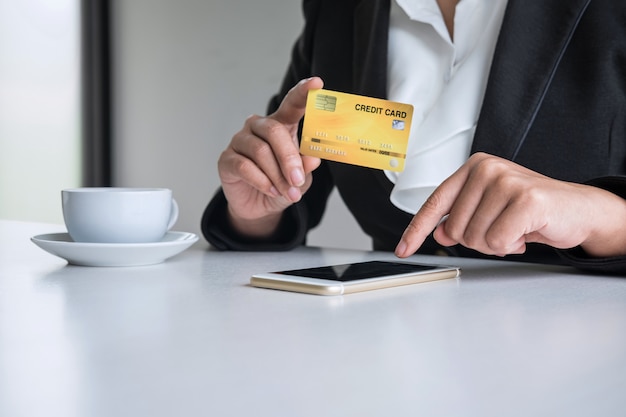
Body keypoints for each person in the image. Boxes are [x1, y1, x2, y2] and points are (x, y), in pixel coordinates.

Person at [202, 0, 626, 273]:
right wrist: (257, 206)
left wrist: (601, 217)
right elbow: (292, 184)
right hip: (385, 345)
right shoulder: (338, 10)